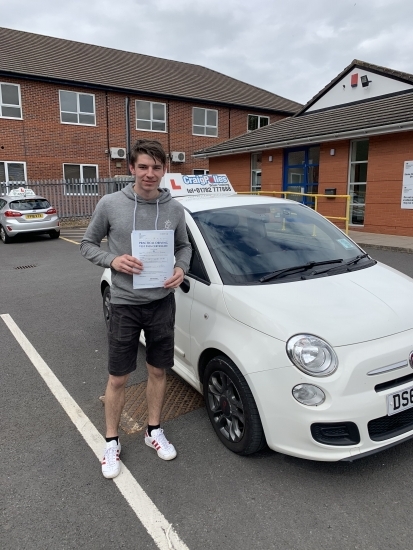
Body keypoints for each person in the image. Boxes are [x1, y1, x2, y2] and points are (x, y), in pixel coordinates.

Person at [80, 139, 191, 479]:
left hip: (161, 303)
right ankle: (111, 441)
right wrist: (113, 258)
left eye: (156, 167)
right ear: (131, 168)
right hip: (125, 304)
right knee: (118, 377)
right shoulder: (110, 204)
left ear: (164, 170)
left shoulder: (174, 209)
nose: (149, 173)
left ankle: (153, 431)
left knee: (159, 372)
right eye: (143, 166)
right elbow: (86, 245)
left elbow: (184, 246)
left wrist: (181, 269)